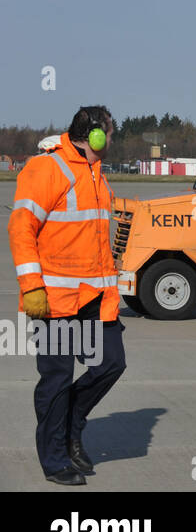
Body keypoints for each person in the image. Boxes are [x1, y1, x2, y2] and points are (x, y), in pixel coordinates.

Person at [8, 105, 126, 485]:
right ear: (94, 136)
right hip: (55, 300)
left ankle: (71, 423)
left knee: (110, 364)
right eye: (109, 133)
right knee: (57, 381)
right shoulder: (47, 169)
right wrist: (32, 288)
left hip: (95, 297)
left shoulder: (95, 174)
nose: (112, 140)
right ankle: (55, 457)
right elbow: (21, 228)